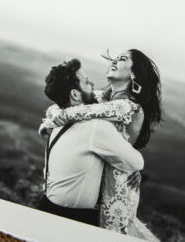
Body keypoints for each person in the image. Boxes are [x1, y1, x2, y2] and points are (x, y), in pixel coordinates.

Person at [40, 50, 162, 241]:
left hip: (117, 185)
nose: (114, 60)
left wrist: (56, 118)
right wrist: (53, 113)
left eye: (122, 59)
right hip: (98, 182)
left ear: (134, 73)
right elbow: (69, 99)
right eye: (115, 57)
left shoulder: (129, 106)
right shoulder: (102, 98)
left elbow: (78, 110)